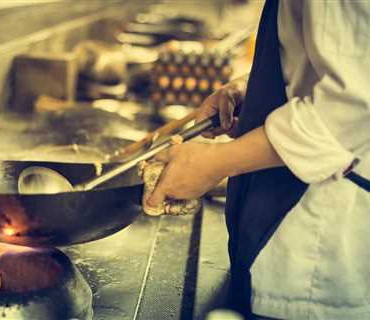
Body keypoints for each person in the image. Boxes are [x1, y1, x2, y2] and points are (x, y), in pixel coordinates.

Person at [145, 1, 370, 319]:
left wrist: (214, 162)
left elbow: (351, 108)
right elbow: (337, 58)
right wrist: (258, 92)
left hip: (315, 254)